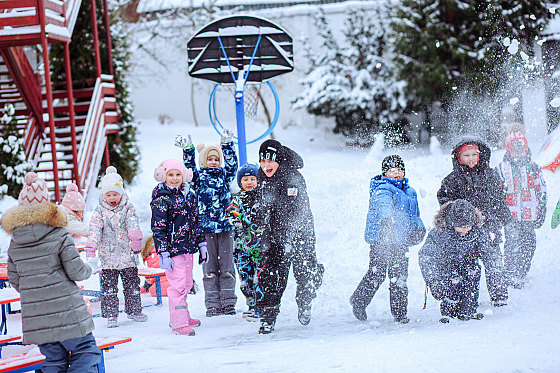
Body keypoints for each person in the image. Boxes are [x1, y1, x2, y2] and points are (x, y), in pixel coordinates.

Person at [1, 172, 101, 372]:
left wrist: (36, 291)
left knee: (54, 361)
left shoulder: (15, 242)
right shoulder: (59, 233)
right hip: (68, 313)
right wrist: (91, 266)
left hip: (37, 319)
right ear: (46, 205)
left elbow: (15, 279)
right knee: (86, 352)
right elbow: (76, 271)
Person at [253, 139, 324, 334]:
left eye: (270, 161)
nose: (266, 166)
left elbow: (293, 213)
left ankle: (304, 304)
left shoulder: (293, 178)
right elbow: (263, 209)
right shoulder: (262, 176)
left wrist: (283, 243)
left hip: (301, 234)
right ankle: (268, 317)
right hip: (276, 236)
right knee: (272, 277)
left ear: (279, 160)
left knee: (304, 272)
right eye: (262, 161)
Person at [350, 155, 426, 324]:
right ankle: (358, 300)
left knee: (399, 276)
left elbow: (414, 215)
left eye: (400, 170)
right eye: (392, 171)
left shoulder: (410, 191)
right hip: (381, 239)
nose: (397, 173)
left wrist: (420, 228)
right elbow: (384, 205)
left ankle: (400, 313)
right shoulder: (382, 188)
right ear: (385, 173)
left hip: (400, 241)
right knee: (377, 273)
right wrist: (386, 222)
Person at [437, 136, 510, 307]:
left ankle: (499, 293)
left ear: (480, 155)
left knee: (493, 260)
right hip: (465, 229)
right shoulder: (452, 179)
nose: (470, 159)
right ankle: (465, 298)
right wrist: (454, 216)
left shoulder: (489, 175)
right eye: (466, 155)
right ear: (458, 158)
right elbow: (444, 199)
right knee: (467, 265)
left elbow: (498, 198)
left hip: (488, 225)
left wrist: (503, 217)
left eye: (474, 155)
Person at [175, 129, 238, 317]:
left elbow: (233, 166)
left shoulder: (225, 177)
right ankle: (212, 304)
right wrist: (188, 149)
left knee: (227, 267)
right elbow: (188, 168)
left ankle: (228, 303)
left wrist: (226, 146)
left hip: (226, 228)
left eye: (216, 159)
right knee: (209, 268)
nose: (214, 162)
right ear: (204, 161)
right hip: (206, 230)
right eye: (210, 159)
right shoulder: (198, 178)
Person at [419, 199, 506, 323]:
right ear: (451, 223)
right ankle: (449, 310)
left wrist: (495, 271)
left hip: (468, 262)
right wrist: (433, 280)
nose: (464, 232)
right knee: (452, 279)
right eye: (460, 229)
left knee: (472, 272)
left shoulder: (477, 232)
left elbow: (489, 253)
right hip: (446, 264)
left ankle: (469, 309)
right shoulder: (439, 233)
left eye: (467, 228)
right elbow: (426, 256)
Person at [86, 166, 147, 328]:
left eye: (115, 194)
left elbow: (133, 221)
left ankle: (134, 311)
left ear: (121, 194)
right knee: (109, 289)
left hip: (128, 256)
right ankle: (111, 314)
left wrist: (135, 235)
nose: (112, 198)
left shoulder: (128, 207)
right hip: (108, 258)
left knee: (132, 286)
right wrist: (92, 245)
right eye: (109, 194)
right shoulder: (100, 211)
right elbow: (94, 228)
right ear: (103, 195)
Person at [151, 159, 207, 335]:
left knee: (187, 284)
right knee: (178, 286)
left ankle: (183, 315)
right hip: (173, 251)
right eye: (170, 175)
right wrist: (163, 253)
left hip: (188, 248)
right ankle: (178, 323)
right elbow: (158, 228)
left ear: (184, 176)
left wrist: (202, 243)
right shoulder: (161, 199)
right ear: (163, 176)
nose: (174, 178)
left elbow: (196, 221)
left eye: (178, 174)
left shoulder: (189, 195)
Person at [496, 131, 547, 289]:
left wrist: (542, 208)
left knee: (529, 244)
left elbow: (541, 190)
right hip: (510, 216)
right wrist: (498, 212)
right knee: (512, 244)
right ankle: (510, 272)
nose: (519, 150)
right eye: (515, 147)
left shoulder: (534, 168)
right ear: (508, 148)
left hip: (529, 215)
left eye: (522, 146)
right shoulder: (502, 169)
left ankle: (522, 272)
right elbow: (497, 193)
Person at [227, 163, 263, 320]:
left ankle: (260, 306)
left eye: (253, 179)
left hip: (259, 247)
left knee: (259, 277)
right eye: (245, 179)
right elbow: (230, 213)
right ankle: (251, 304)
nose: (249, 182)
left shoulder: (262, 197)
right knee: (245, 278)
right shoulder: (237, 200)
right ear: (240, 182)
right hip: (242, 248)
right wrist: (235, 218)